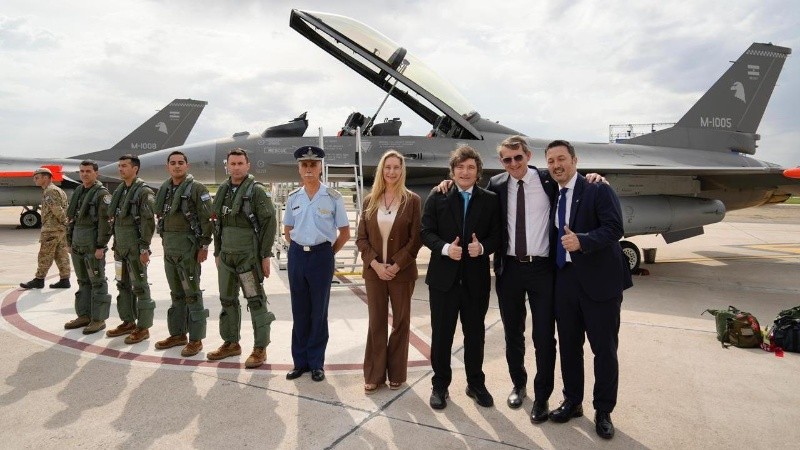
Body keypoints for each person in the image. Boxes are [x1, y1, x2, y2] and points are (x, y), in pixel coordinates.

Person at [544, 140, 632, 440]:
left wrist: (583, 240)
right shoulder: (553, 193)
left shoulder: (597, 188)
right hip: (565, 281)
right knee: (569, 347)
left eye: (562, 159)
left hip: (599, 283)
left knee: (604, 351)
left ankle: (604, 410)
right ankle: (572, 400)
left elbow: (614, 228)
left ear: (575, 160)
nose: (557, 165)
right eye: (551, 161)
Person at [421, 145, 501, 410]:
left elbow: (498, 235)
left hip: (475, 282)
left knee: (475, 335)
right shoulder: (438, 196)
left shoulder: (490, 199)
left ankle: (475, 384)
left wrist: (484, 248)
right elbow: (426, 232)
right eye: (460, 167)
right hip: (443, 281)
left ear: (477, 171)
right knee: (442, 336)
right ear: (452, 171)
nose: (465, 172)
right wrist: (445, 248)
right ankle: (440, 386)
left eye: (470, 167)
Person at [356, 150, 422, 394]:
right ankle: (374, 374)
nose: (392, 171)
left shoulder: (412, 200)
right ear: (381, 171)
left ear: (402, 170)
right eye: (387, 167)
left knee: (401, 323)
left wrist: (395, 265)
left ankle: (396, 373)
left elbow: (416, 239)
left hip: (401, 273)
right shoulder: (369, 200)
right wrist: (375, 264)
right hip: (374, 273)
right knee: (376, 322)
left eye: (396, 167)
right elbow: (361, 239)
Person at [284, 146, 350, 382]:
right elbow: (287, 230)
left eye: (313, 164)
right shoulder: (293, 197)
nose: (309, 169)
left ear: (321, 167)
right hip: (298, 256)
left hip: (322, 256)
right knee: (299, 310)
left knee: (318, 312)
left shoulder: (333, 197)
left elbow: (344, 232)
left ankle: (316, 363)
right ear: (299, 169)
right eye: (304, 165)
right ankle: (299, 362)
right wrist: (299, 250)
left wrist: (327, 253)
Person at [207, 148, 277, 368]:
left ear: (248, 166)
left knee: (255, 300)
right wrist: (217, 251)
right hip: (226, 256)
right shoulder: (222, 191)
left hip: (248, 256)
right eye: (232, 164)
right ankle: (230, 343)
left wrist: (265, 255)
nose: (236, 167)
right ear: (227, 165)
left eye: (240, 163)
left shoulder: (256, 191)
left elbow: (269, 223)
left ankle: (260, 348)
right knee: (227, 300)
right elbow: (216, 223)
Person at [153, 151, 214, 357]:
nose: (177, 166)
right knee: (176, 294)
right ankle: (178, 334)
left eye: (181, 163)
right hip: (169, 247)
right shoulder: (165, 189)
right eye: (173, 163)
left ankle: (196, 339)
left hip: (188, 248)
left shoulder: (197, 189)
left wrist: (204, 245)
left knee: (192, 293)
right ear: (167, 166)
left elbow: (207, 219)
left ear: (187, 166)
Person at [106, 154, 156, 345]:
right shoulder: (121, 191)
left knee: (140, 287)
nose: (120, 169)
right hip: (120, 248)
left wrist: (144, 248)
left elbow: (148, 222)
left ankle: (143, 328)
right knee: (122, 284)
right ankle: (127, 322)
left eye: (124, 166)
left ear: (135, 169)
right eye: (119, 166)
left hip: (135, 248)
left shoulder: (143, 192)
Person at [63, 160, 113, 334]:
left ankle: (98, 319)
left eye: (88, 171)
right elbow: (71, 220)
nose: (84, 174)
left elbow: (105, 223)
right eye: (82, 171)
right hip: (77, 243)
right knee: (82, 281)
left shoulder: (102, 194)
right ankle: (84, 315)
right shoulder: (79, 191)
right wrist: (69, 242)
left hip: (93, 244)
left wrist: (101, 246)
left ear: (96, 173)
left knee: (97, 282)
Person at [20, 167, 71, 289]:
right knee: (61, 254)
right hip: (59, 229)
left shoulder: (50, 191)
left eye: (37, 177)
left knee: (45, 254)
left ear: (46, 177)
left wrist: (64, 222)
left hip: (51, 229)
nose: (34, 180)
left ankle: (39, 279)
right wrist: (65, 225)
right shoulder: (58, 190)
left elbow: (57, 209)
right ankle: (65, 279)